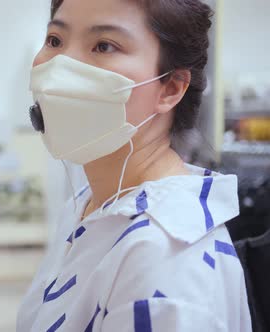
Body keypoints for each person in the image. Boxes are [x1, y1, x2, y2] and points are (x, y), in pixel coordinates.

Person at [17, 1, 252, 331]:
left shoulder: (165, 268)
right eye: (55, 40)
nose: (61, 67)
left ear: (170, 88)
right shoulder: (90, 204)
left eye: (103, 46)